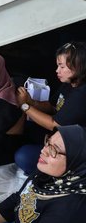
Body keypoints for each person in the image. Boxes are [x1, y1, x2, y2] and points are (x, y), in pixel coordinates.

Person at [15, 41, 86, 174]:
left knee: (23, 156)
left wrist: (24, 106)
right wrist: (31, 102)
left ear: (78, 66)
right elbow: (53, 107)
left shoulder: (82, 94)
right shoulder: (70, 82)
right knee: (22, 130)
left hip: (66, 151)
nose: (57, 70)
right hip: (54, 138)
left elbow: (54, 124)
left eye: (62, 66)